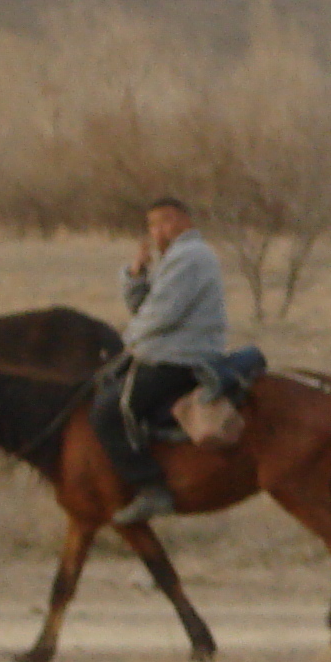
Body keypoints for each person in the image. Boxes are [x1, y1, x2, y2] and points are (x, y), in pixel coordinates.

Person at [104, 194, 232, 524]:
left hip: (181, 355)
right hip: (167, 349)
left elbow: (163, 314)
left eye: (159, 224)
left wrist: (127, 340)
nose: (154, 232)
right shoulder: (175, 257)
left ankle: (152, 488)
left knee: (109, 410)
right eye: (151, 226)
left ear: (178, 221)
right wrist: (136, 272)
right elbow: (144, 308)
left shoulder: (190, 256)